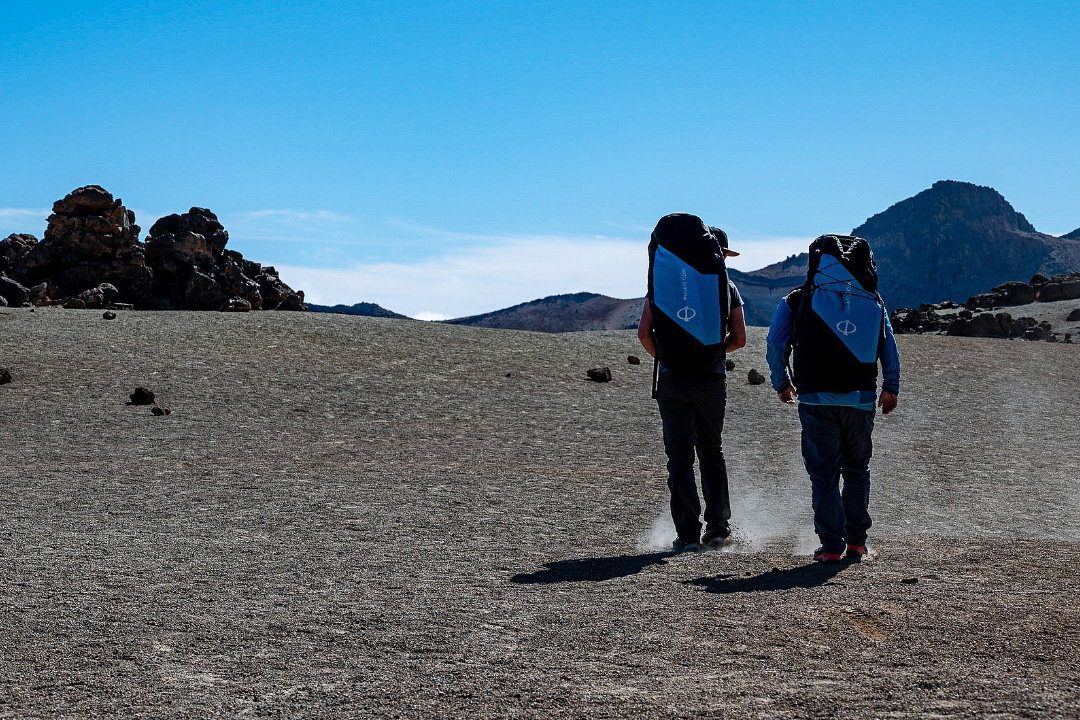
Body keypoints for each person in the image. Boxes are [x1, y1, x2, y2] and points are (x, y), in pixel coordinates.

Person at [765, 234, 900, 563]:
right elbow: (888, 345)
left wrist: (782, 383)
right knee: (857, 470)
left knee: (824, 474)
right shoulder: (873, 299)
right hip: (860, 400)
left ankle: (830, 547)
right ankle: (856, 543)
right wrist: (891, 386)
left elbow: (776, 343)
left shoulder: (796, 299)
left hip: (815, 401)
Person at [638, 225, 747, 553]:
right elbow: (740, 338)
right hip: (711, 381)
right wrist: (712, 355)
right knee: (711, 450)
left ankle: (687, 534)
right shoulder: (728, 288)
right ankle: (717, 529)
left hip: (672, 380)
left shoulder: (664, 285)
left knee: (680, 456)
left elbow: (644, 333)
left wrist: (668, 360)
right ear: (721, 255)